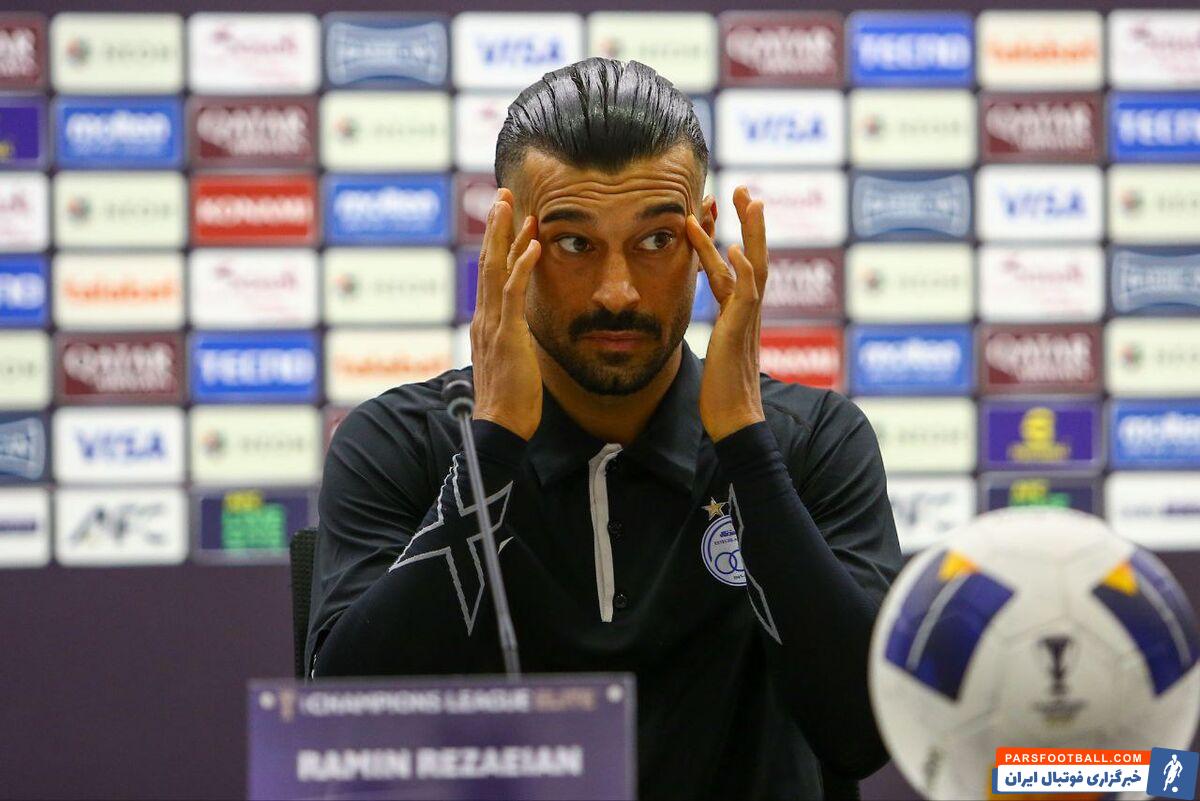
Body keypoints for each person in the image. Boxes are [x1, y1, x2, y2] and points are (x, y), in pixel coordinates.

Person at [306, 57, 902, 800]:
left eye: (656, 241)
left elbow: (860, 734)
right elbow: (343, 737)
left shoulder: (811, 440)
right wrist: (492, 446)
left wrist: (747, 446)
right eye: (574, 244)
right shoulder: (400, 442)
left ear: (704, 239)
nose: (617, 292)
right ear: (507, 244)